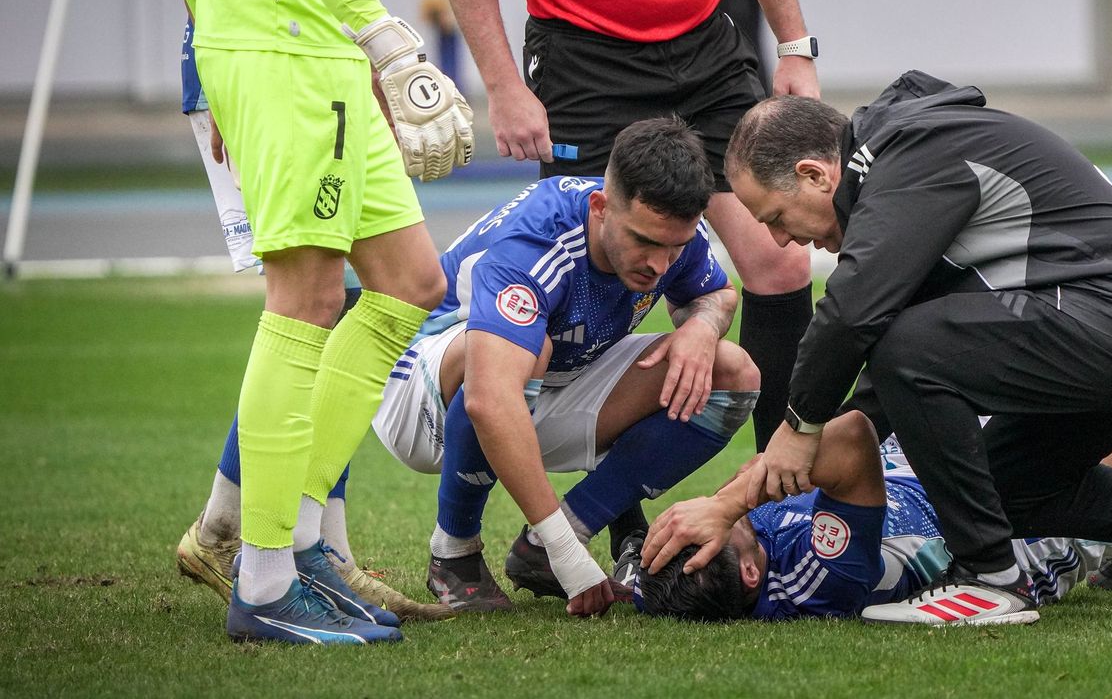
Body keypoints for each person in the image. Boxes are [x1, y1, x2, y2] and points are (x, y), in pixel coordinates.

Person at [719, 74, 1112, 626]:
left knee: (906, 348)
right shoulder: (902, 164)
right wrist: (794, 455)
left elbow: (853, 316)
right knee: (1003, 487)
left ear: (816, 175)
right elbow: (886, 382)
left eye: (775, 216)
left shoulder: (909, 153)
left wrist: (799, 424)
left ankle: (989, 579)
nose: (781, 239)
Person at [176, 118, 762, 619]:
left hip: (546, 385)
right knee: (517, 356)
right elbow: (489, 398)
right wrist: (570, 556)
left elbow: (718, 293)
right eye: (643, 243)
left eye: (674, 248)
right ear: (602, 206)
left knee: (732, 371)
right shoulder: (536, 242)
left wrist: (702, 328)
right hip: (421, 391)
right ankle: (454, 551)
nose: (660, 265)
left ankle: (550, 542)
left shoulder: (672, 230)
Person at [163, 0, 473, 644]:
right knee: (304, 298)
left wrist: (218, 52)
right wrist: (394, 46)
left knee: (410, 281)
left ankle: (299, 541)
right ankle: (264, 579)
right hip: (293, 52)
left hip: (304, 50)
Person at [434, 0, 819, 470]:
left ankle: (778, 503)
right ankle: (617, 530)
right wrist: (503, 85)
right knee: (594, 279)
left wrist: (796, 45)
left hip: (708, 50)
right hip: (584, 61)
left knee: (782, 263)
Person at [633, 368, 1112, 621]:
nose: (684, 521)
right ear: (746, 575)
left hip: (955, 457)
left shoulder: (737, 566)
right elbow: (849, 440)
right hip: (1026, 511)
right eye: (701, 533)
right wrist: (729, 505)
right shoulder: (825, 575)